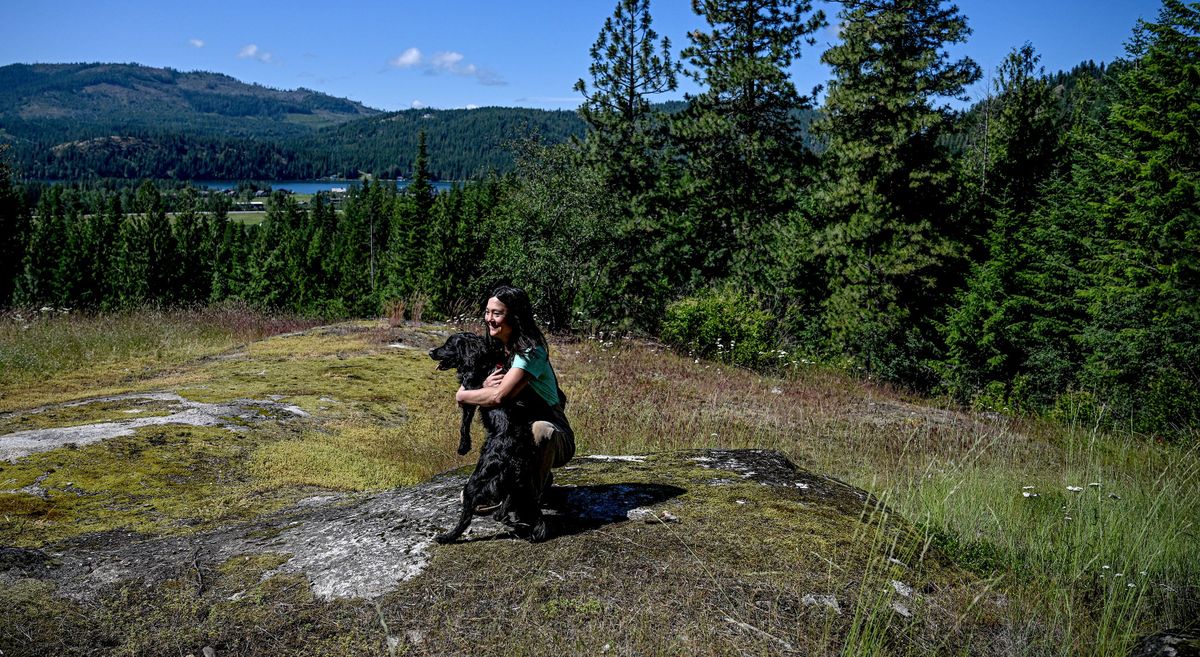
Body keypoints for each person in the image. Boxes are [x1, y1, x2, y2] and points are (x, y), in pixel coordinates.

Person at [454, 285, 574, 501]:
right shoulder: (497, 347)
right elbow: (473, 383)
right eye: (487, 311)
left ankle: (526, 501)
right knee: (472, 498)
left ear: (515, 316)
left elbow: (500, 396)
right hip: (516, 435)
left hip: (555, 435)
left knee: (541, 430)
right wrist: (482, 384)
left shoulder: (531, 351)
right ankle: (533, 479)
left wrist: (462, 396)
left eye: (497, 313)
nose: (489, 318)